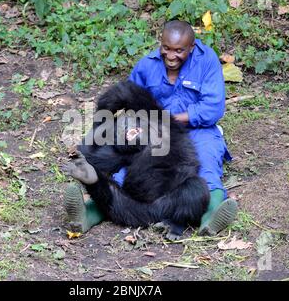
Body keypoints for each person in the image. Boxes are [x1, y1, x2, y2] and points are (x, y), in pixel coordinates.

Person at [65, 20, 238, 236]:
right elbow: (121, 94)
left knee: (206, 172)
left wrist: (167, 120)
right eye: (166, 48)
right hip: (152, 134)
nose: (171, 56)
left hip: (197, 129)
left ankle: (210, 217)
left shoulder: (206, 60)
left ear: (191, 48)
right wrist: (104, 131)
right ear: (161, 43)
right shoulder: (147, 65)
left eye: (179, 51)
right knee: (120, 176)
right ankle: (88, 213)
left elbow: (212, 109)